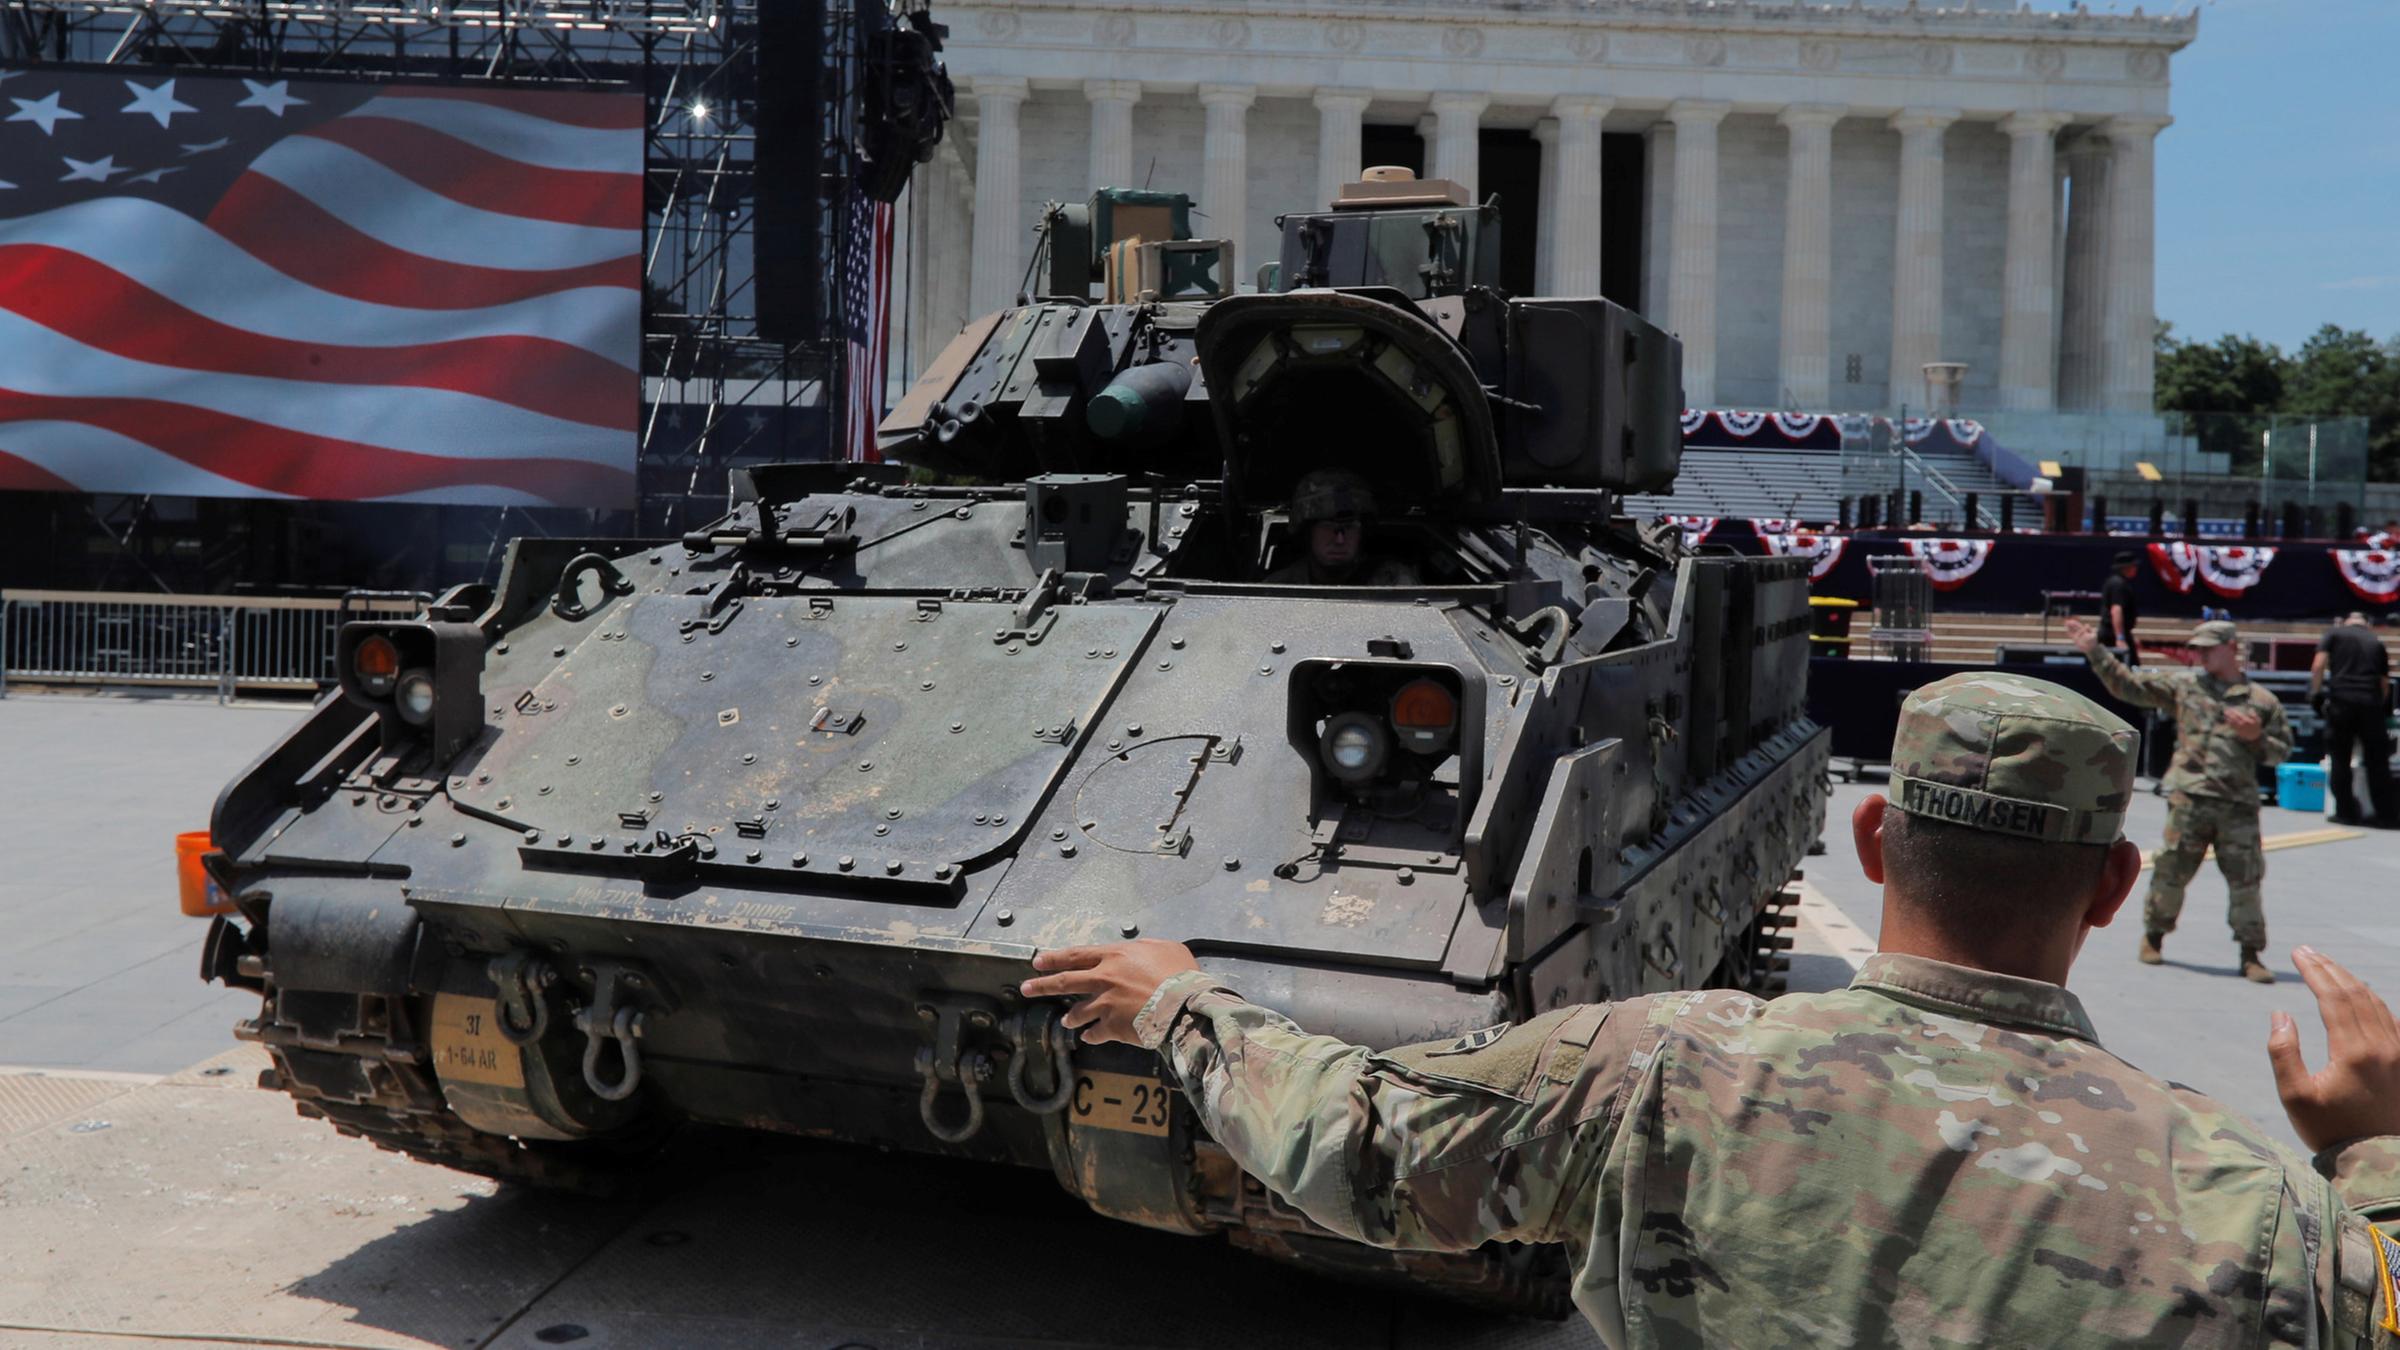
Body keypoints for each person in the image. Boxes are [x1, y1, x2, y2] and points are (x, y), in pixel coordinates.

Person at [1022, 673, 2400, 1344]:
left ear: (1873, 839)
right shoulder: (2250, 1207)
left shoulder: (1661, 1065)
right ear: (2113, 885)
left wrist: (1183, 1001)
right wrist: (2375, 1151)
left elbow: (1363, 1149)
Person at [2067, 615, 2291, 982]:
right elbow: (2129, 686)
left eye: (2209, 648)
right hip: (2189, 798)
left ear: (2231, 648)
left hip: (2237, 805)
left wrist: (2256, 737)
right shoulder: (2186, 687)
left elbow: (2281, 752)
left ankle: (2251, 954)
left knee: (2246, 881)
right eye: (2197, 649)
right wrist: (2096, 652)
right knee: (2171, 872)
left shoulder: (2261, 701)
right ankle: (2153, 936)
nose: (2201, 655)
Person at [1263, 468, 1419, 585]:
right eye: (1328, 527)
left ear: (1363, 533)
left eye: (1349, 527)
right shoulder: (1281, 586)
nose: (1339, 540)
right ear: (1307, 532)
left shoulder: (1392, 582)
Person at [2313, 611, 2394, 827]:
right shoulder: (2375, 642)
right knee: (2377, 761)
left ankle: (2346, 812)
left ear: (2346, 622)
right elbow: (2384, 684)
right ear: (2367, 623)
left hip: (2341, 702)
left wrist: (2315, 694)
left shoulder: (2334, 634)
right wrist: (2377, 705)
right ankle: (2385, 814)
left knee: (2340, 759)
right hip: (2370, 703)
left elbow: (2318, 665)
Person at [2097, 549, 2143, 665]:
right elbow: (2116, 610)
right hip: (2112, 635)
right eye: (2133, 566)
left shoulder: (2118, 582)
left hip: (2117, 633)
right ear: (2126, 567)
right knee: (2127, 668)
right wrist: (2120, 638)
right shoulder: (2118, 584)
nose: (2136, 569)